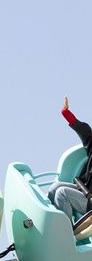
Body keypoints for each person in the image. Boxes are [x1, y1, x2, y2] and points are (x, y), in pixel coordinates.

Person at [47, 97, 92, 239]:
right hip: (84, 190)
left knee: (62, 193)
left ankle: (64, 237)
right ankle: (50, 224)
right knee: (55, 187)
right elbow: (84, 130)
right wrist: (66, 113)